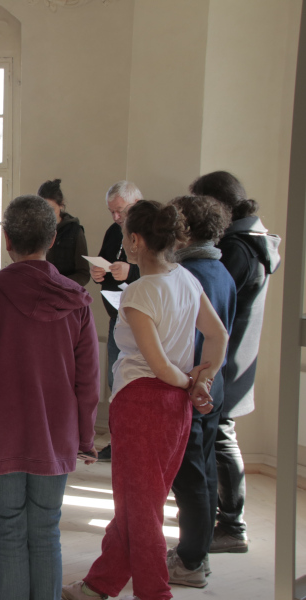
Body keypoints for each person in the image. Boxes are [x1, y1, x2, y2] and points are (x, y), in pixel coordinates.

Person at [62, 200, 228, 600]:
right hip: (176, 408)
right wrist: (200, 382)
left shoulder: (139, 292)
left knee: (140, 508)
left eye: (125, 237)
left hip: (143, 405)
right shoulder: (186, 278)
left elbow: (158, 365)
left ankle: (154, 592)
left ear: (135, 241)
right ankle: (99, 585)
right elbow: (218, 335)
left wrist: (189, 383)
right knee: (142, 503)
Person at [0, 195, 99, 600]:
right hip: (55, 431)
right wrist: (86, 438)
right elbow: (88, 381)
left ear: (6, 239)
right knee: (46, 530)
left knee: (8, 532)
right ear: (52, 240)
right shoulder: (76, 298)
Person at [189, 171, 281, 554]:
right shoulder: (254, 240)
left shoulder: (237, 249)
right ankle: (214, 513)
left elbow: (213, 305)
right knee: (220, 437)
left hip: (226, 361)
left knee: (222, 439)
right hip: (236, 356)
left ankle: (232, 524)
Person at [165, 195, 236, 588]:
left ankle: (191, 561)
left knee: (190, 477)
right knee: (203, 471)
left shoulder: (189, 275)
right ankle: (196, 552)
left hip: (194, 387)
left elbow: (192, 340)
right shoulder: (220, 269)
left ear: (186, 229)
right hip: (213, 383)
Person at [89, 181, 143, 461]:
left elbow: (163, 272)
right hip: (117, 319)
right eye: (111, 211)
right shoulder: (114, 230)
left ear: (137, 204)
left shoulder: (151, 230)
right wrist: (98, 273)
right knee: (115, 381)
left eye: (120, 210)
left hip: (143, 323)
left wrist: (131, 272)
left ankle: (137, 443)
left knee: (139, 385)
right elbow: (106, 263)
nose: (116, 217)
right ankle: (117, 441)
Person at [38, 179, 90, 286]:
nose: (47, 214)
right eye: (43, 209)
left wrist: (59, 283)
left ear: (61, 205)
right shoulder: (35, 229)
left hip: (66, 291)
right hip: (40, 290)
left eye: (52, 209)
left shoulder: (75, 231)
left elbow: (83, 274)